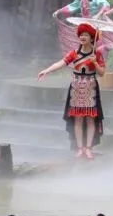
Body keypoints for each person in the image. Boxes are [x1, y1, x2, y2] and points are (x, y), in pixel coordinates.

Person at [38, 23, 106, 159]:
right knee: (78, 119)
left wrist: (95, 63)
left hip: (90, 87)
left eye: (86, 35)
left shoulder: (97, 54)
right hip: (76, 88)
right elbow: (61, 63)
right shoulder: (74, 53)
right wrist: (47, 70)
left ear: (91, 38)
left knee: (90, 119)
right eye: (81, 35)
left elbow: (102, 73)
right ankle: (80, 148)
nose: (82, 37)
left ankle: (88, 148)